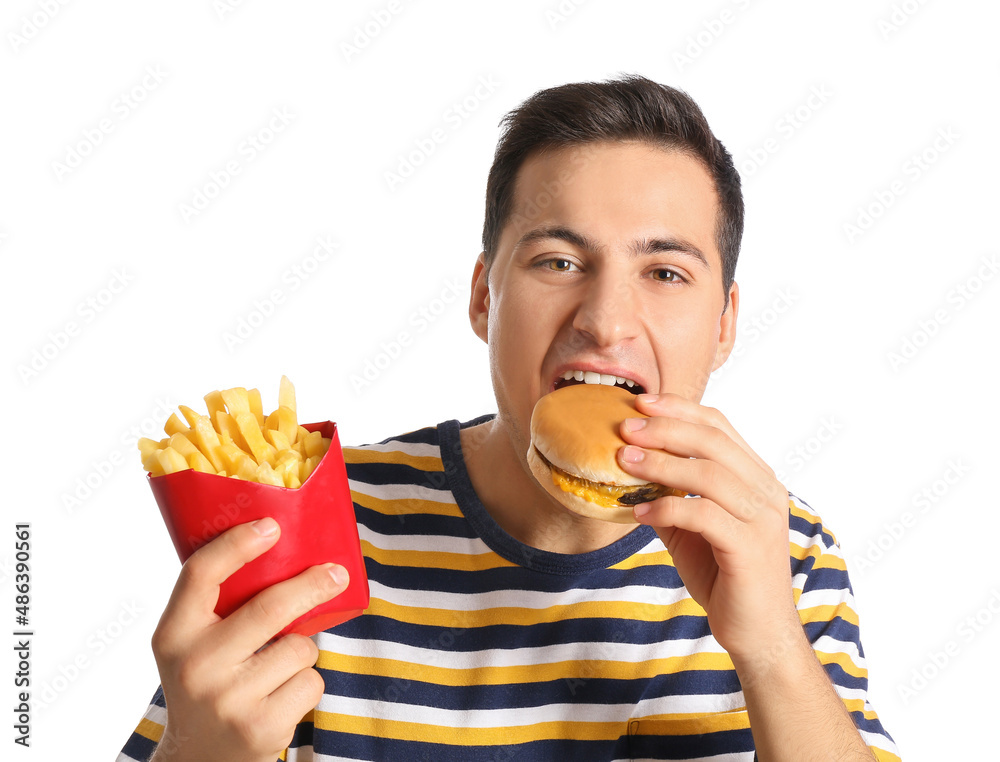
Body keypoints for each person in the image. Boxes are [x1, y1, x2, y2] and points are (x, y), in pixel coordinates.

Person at [118, 75, 899, 761]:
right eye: (558, 261)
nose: (605, 318)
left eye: (664, 271)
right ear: (483, 295)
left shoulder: (783, 553)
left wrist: (770, 651)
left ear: (724, 323)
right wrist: (195, 756)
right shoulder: (318, 517)